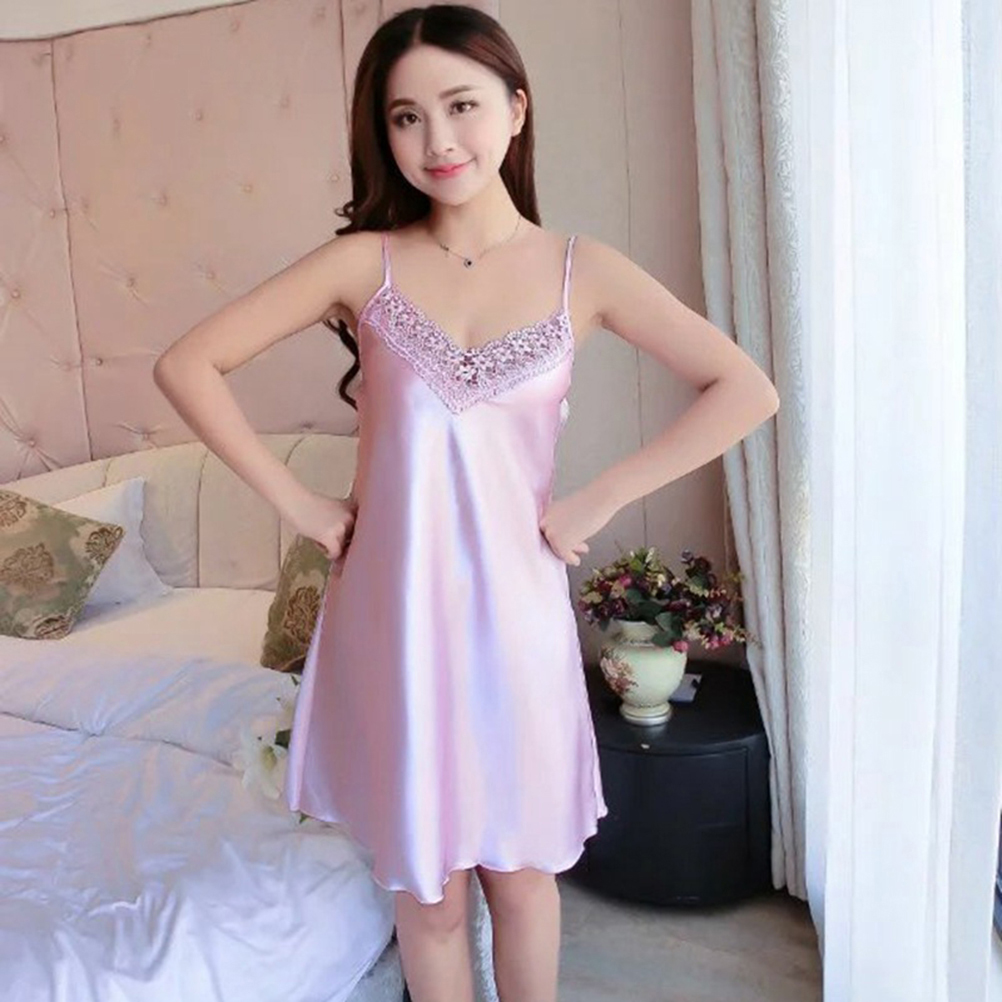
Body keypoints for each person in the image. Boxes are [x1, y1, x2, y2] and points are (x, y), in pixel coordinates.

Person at [153, 5, 780, 1001]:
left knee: (521, 879)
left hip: (516, 618)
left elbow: (746, 389)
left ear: (517, 108)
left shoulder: (582, 271)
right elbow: (188, 363)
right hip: (394, 620)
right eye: (406, 117)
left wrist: (600, 497)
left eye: (461, 105)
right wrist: (300, 506)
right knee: (432, 894)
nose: (437, 140)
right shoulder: (363, 264)